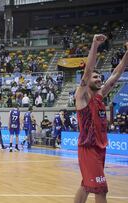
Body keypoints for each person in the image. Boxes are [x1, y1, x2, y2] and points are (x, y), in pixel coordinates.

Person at [74, 36, 128, 203]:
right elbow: (88, 70)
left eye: (99, 78)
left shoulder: (99, 96)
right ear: (86, 80)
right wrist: (95, 45)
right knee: (101, 190)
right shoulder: (81, 97)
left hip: (99, 148)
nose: (99, 79)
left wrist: (127, 53)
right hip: (88, 148)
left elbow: (116, 74)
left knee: (86, 186)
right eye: (95, 77)